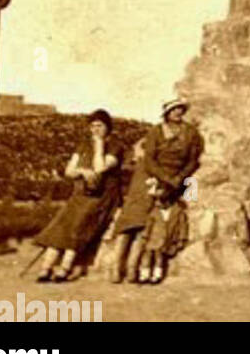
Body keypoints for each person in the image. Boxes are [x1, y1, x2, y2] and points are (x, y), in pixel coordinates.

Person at [32, 109, 124, 282]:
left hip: (102, 196)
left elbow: (100, 168)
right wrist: (82, 170)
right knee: (62, 223)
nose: (95, 130)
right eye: (92, 126)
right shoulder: (83, 145)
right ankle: (46, 268)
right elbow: (69, 171)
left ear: (108, 127)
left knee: (79, 224)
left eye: (100, 126)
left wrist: (99, 147)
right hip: (81, 194)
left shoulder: (115, 147)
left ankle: (65, 268)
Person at [137, 99, 204, 283]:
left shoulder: (190, 132)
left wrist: (180, 177)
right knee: (152, 211)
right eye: (173, 109)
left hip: (181, 176)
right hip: (158, 174)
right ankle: (144, 263)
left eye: (180, 109)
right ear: (167, 113)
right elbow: (149, 160)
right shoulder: (156, 131)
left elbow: (193, 159)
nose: (177, 112)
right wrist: (165, 178)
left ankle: (168, 250)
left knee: (179, 210)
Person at [109, 137, 155, 283]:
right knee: (125, 233)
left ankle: (131, 269)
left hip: (146, 202)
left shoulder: (154, 165)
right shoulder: (136, 164)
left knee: (140, 235)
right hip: (132, 202)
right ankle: (117, 269)